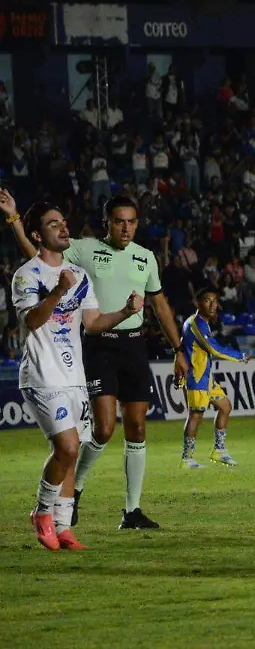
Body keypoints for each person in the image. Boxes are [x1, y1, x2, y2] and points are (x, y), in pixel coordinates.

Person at [1, 191, 188, 530]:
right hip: (98, 345)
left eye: (131, 222)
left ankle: (132, 511)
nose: (126, 228)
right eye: (119, 222)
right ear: (107, 223)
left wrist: (179, 349)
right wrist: (14, 219)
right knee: (103, 428)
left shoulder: (146, 258)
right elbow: (41, 257)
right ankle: (75, 490)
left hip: (134, 344)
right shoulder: (84, 249)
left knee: (138, 427)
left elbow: (160, 305)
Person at [13, 202, 145, 550]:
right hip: (42, 374)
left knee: (71, 455)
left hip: (74, 376)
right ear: (37, 235)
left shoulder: (79, 275)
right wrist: (58, 291)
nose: (63, 227)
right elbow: (31, 321)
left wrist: (125, 312)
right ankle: (42, 512)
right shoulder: (27, 275)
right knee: (68, 447)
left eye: (63, 221)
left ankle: (63, 527)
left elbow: (93, 323)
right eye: (52, 224)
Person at [179, 287, 251, 468]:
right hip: (196, 377)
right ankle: (187, 458)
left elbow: (179, 346)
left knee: (225, 406)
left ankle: (219, 451)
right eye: (207, 301)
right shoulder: (197, 324)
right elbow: (213, 348)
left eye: (215, 301)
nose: (212, 305)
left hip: (206, 377)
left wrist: (176, 368)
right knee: (195, 415)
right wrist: (240, 356)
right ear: (198, 303)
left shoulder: (197, 322)